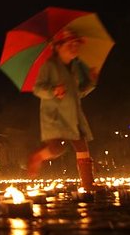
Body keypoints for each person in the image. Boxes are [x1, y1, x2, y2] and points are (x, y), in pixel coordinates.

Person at [27, 28, 99, 191]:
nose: (74, 47)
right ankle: (37, 156)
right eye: (70, 44)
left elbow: (77, 93)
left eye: (76, 44)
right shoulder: (49, 66)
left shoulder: (74, 68)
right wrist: (53, 90)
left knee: (81, 145)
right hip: (56, 116)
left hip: (73, 115)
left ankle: (88, 184)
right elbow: (37, 89)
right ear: (58, 46)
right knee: (57, 148)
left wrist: (91, 82)